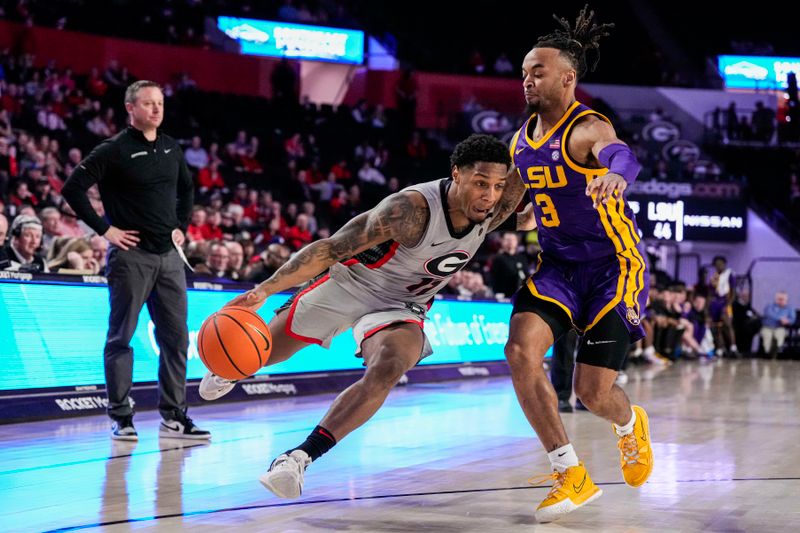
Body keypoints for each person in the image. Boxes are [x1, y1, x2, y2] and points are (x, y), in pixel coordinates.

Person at [200, 134, 533, 498]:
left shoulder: (495, 207)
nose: (490, 195)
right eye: (480, 183)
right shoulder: (411, 209)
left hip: (403, 306)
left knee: (389, 368)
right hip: (351, 284)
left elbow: (533, 142)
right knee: (262, 352)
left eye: (498, 186)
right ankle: (230, 366)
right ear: (456, 174)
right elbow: (330, 248)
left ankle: (298, 458)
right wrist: (265, 288)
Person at [503, 6, 652, 522]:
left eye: (536, 71)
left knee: (592, 394)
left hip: (614, 267)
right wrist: (508, 216)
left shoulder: (586, 126)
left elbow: (621, 154)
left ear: (567, 78)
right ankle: (570, 473)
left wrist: (616, 176)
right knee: (520, 351)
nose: (526, 80)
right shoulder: (520, 142)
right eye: (523, 72)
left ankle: (630, 424)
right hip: (558, 268)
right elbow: (521, 209)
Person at [62, 80, 210, 442]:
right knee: (121, 338)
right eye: (148, 103)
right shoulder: (114, 149)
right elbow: (72, 188)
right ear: (131, 107)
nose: (156, 109)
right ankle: (121, 416)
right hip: (131, 257)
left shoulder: (172, 148)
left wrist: (182, 225)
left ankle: (174, 416)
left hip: (169, 258)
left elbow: (187, 189)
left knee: (175, 340)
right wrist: (105, 230)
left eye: (160, 103)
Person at [708, 256, 740, 357]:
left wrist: (728, 304)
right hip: (715, 303)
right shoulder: (715, 276)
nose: (718, 266)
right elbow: (711, 291)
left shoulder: (730, 274)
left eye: (720, 263)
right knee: (717, 326)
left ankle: (733, 347)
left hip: (725, 302)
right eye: (716, 264)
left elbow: (733, 292)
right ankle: (720, 348)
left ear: (724, 263)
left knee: (727, 324)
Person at [489, 231, 530, 298]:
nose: (510, 242)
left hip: (520, 294)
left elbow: (527, 275)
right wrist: (496, 292)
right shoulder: (497, 258)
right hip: (502, 295)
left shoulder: (522, 258)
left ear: (517, 241)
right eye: (507, 240)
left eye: (513, 240)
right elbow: (493, 277)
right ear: (502, 241)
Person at [760, 291, 796, 357]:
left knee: (780, 335)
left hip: (780, 327)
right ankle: (767, 353)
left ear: (786, 300)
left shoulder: (790, 308)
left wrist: (788, 321)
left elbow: (792, 319)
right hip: (768, 327)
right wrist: (780, 318)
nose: (781, 301)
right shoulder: (769, 306)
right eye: (779, 299)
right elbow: (769, 314)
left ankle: (778, 351)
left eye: (783, 299)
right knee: (767, 337)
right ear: (776, 299)